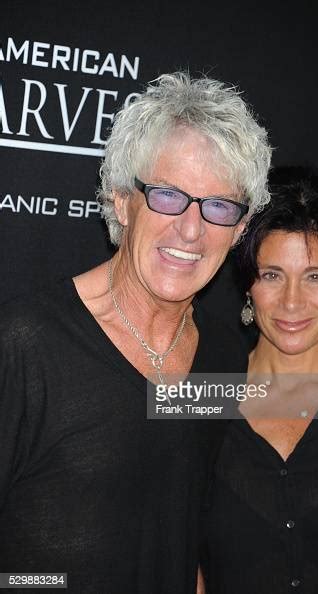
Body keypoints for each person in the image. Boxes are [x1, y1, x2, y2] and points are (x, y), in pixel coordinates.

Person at [0, 72, 271, 593]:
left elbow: (178, 522)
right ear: (122, 200)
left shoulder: (221, 355)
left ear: (239, 230)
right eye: (168, 195)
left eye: (218, 205)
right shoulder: (25, 346)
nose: (191, 230)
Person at [200, 166, 318, 593]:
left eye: (315, 277)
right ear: (248, 284)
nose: (292, 301)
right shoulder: (200, 397)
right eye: (272, 275)